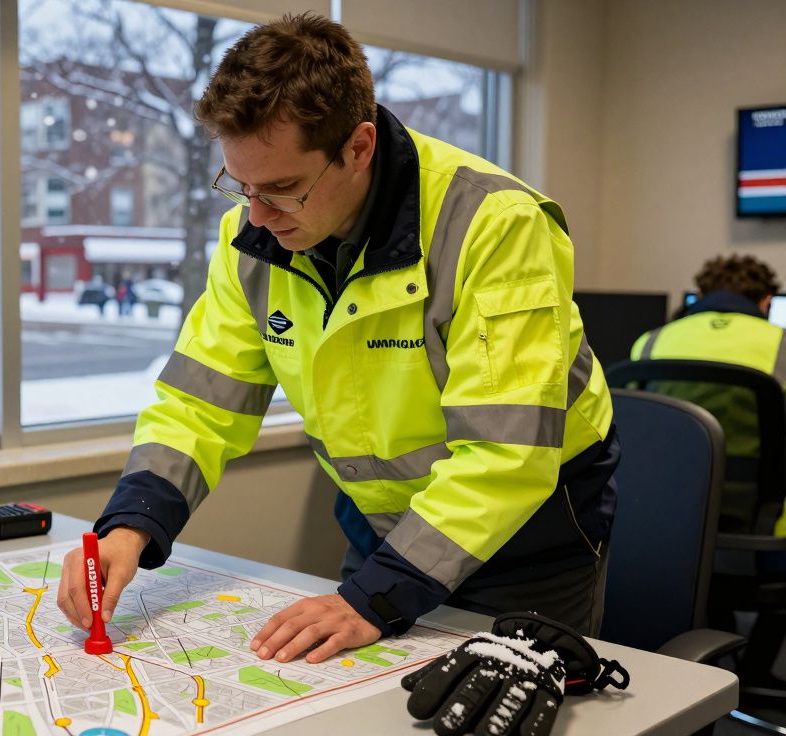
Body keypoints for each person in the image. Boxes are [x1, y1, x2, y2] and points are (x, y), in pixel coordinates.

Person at [57, 13, 618, 665]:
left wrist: (372, 599)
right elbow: (197, 406)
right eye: (241, 186)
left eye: (284, 189)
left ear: (359, 147)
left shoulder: (496, 225)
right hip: (381, 526)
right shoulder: (253, 242)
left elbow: (506, 454)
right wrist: (129, 527)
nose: (257, 217)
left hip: (527, 536)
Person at [632, 253, 784, 531]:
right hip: (756, 519)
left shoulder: (649, 342)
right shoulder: (781, 347)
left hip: (662, 509)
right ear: (767, 301)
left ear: (700, 294)